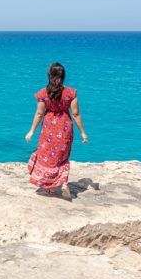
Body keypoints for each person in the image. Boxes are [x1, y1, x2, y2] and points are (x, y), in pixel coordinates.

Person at [25, 62, 88, 200]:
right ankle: (63, 182)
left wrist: (31, 131)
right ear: (64, 76)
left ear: (49, 75)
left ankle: (51, 188)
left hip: (48, 129)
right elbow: (76, 114)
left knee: (47, 158)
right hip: (65, 128)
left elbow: (39, 114)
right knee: (62, 157)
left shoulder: (42, 93)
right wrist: (83, 133)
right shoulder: (71, 93)